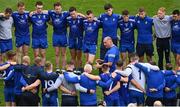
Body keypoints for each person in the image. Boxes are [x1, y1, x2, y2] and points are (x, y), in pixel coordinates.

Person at [48, 2, 69, 71]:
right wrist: (33, 12)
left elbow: (75, 13)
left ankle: (63, 68)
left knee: (63, 53)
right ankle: (57, 68)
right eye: (56, 9)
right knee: (56, 53)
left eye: (59, 9)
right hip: (56, 35)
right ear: (54, 9)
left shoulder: (65, 14)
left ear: (61, 8)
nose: (58, 10)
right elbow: (44, 11)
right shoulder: (52, 13)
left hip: (63, 36)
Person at [30, 1, 49, 66]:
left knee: (43, 54)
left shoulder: (46, 15)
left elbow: (52, 14)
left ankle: (42, 68)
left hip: (43, 37)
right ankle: (37, 68)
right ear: (35, 7)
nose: (39, 9)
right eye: (38, 8)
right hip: (35, 37)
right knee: (36, 54)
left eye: (41, 8)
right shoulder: (32, 15)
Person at [67, 7, 85, 73]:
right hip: (71, 39)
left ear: (76, 12)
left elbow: (89, 18)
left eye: (74, 14)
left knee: (79, 56)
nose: (72, 15)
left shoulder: (81, 19)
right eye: (71, 14)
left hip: (79, 39)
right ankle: (73, 69)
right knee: (73, 56)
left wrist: (81, 14)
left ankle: (79, 69)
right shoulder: (68, 19)